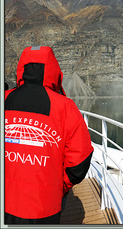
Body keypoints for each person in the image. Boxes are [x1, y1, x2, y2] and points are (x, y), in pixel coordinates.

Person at [4, 46, 94, 224]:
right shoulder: (65, 107)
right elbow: (80, 160)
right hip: (45, 207)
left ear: (21, 68)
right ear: (54, 70)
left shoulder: (5, 99)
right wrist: (60, 186)